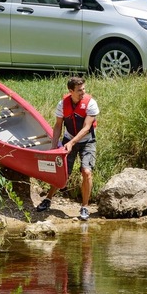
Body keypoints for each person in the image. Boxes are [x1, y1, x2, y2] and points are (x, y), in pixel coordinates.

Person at [36, 76, 98, 220]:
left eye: (84, 89)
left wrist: (71, 143)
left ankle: (85, 207)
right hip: (68, 139)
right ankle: (48, 199)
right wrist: (53, 146)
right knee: (61, 171)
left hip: (87, 141)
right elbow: (58, 126)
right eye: (79, 90)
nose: (83, 92)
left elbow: (86, 128)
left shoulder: (91, 104)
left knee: (86, 171)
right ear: (71, 91)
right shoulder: (62, 105)